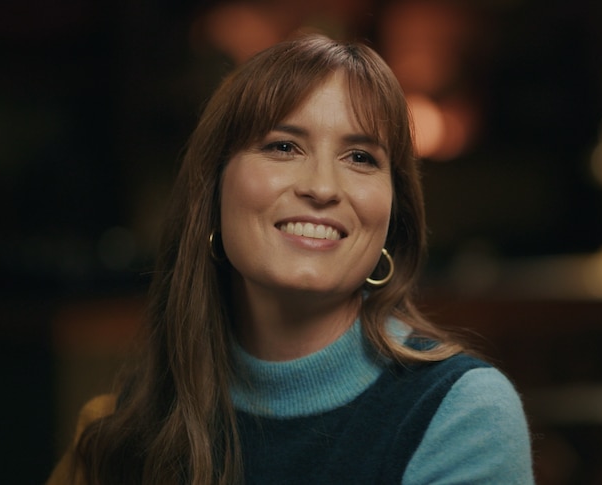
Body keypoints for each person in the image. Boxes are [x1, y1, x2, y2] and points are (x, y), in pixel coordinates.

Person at [47, 34, 534, 485]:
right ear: (213, 191)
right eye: (283, 146)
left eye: (361, 157)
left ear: (393, 214)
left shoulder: (463, 417)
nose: (322, 188)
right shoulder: (122, 424)